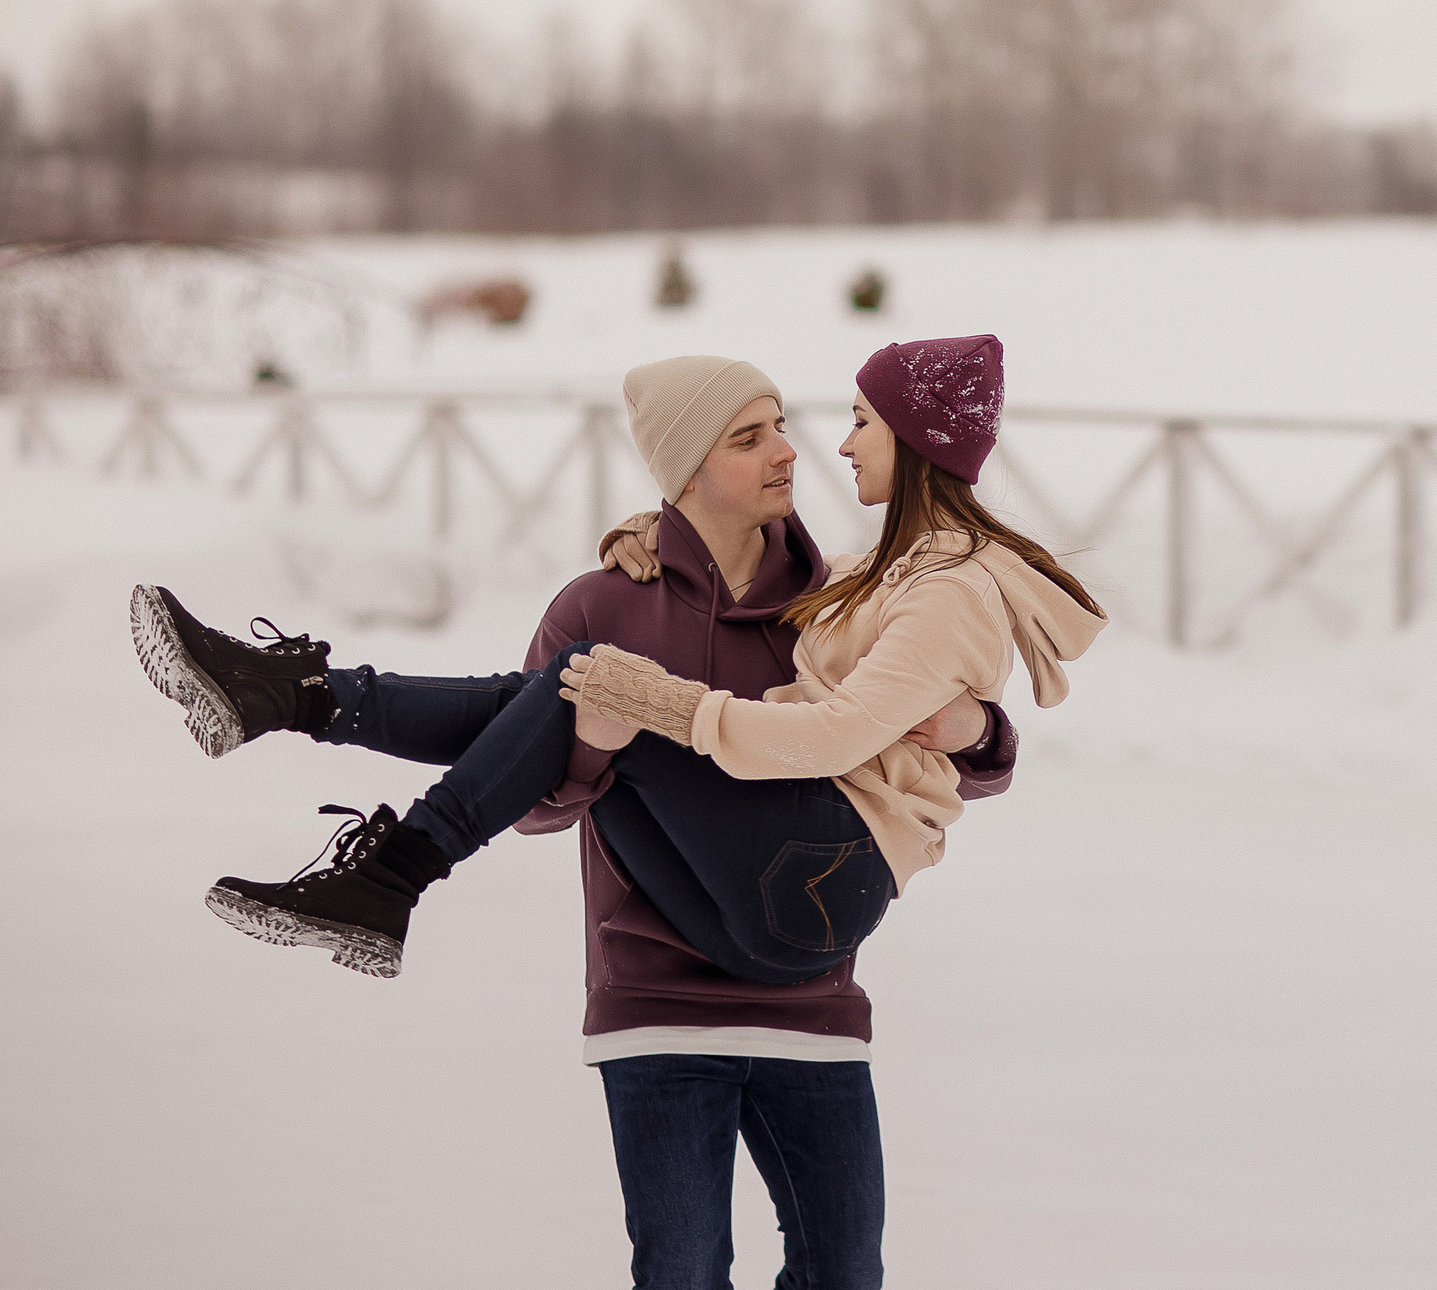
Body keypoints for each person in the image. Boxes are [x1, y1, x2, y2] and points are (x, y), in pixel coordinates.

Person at [131, 337, 1105, 1289]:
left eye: (794, 425)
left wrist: (978, 727)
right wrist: (601, 735)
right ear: (684, 467)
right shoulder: (605, 599)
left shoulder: (828, 598)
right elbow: (532, 794)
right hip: (660, 991)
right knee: (680, 1271)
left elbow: (902, 743)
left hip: (803, 970)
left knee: (844, 1268)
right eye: (749, 435)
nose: (799, 450)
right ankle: (292, 707)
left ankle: (332, 769)